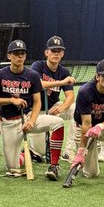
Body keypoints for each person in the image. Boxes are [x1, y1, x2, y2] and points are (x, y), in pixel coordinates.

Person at [0, 40, 64, 177]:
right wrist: (10, 100)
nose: (20, 57)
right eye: (16, 54)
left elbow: (37, 102)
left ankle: (54, 165)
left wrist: (32, 121)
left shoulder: (32, 75)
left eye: (22, 54)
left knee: (58, 122)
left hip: (28, 117)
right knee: (12, 167)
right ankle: (25, 154)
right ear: (9, 56)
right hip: (9, 122)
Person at [71, 58, 104, 186]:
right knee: (91, 174)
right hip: (84, 128)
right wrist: (81, 150)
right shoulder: (85, 91)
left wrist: (101, 126)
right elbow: (86, 124)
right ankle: (75, 155)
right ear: (97, 76)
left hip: (101, 127)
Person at [31, 35, 75, 177]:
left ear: (62, 54)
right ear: (46, 52)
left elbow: (70, 96)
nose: (56, 54)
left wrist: (62, 108)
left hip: (54, 108)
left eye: (59, 51)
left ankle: (69, 150)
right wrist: (61, 82)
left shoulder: (64, 71)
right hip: (36, 110)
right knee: (40, 153)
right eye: (53, 50)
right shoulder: (37, 66)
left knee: (75, 109)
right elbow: (39, 84)